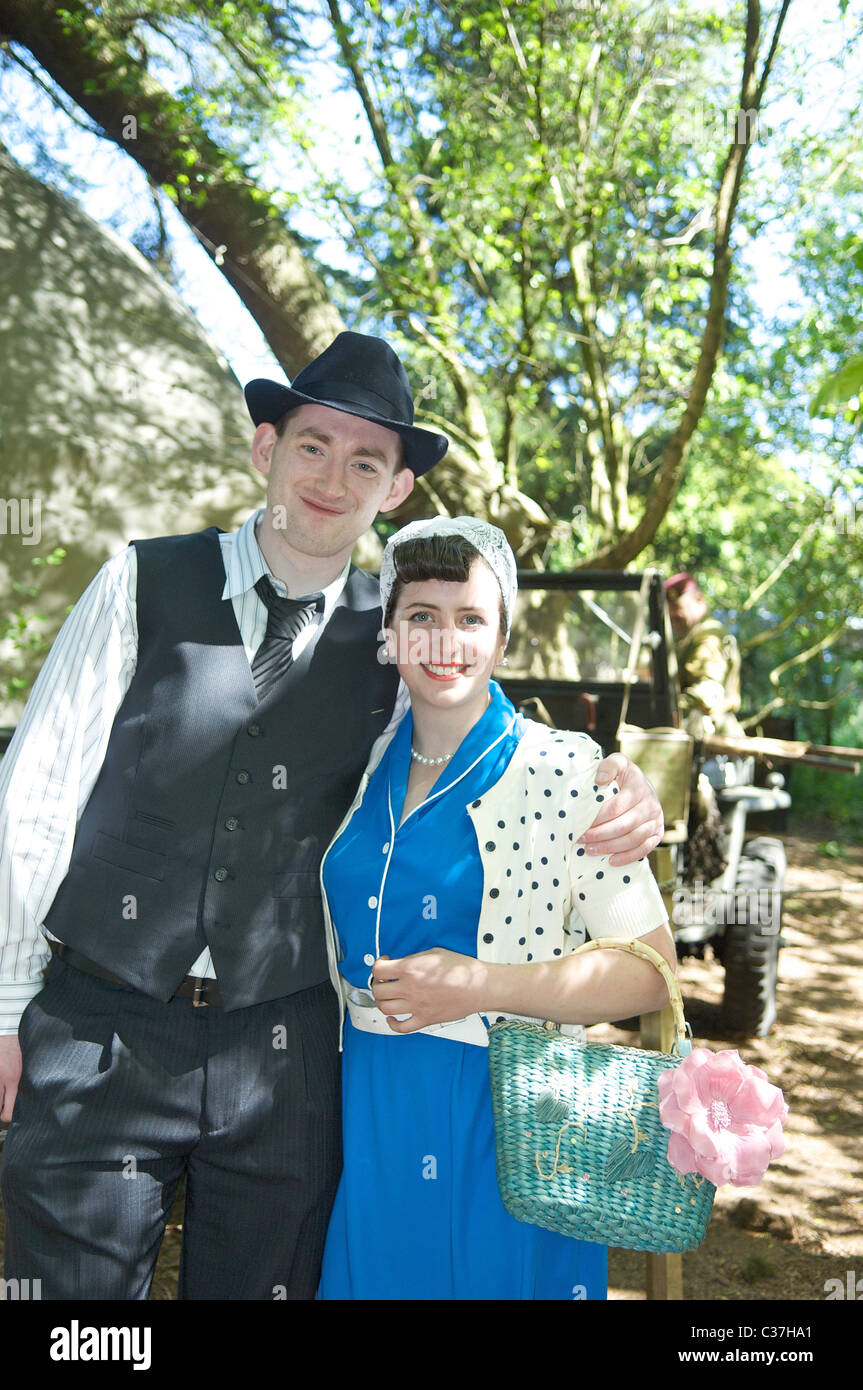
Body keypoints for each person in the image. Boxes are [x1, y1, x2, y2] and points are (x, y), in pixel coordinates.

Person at [0, 332, 664, 1301]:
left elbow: (480, 713)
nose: (332, 477)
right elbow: (33, 798)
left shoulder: (393, 640)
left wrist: (609, 774)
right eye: (312, 445)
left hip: (286, 1058)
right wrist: (3, 1007)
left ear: (393, 492)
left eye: (367, 461)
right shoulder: (139, 585)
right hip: (100, 1027)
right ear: (263, 448)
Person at [317, 517, 676, 1301]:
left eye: (471, 618)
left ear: (503, 635)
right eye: (421, 617)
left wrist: (481, 985)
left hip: (508, 1109)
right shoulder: (358, 756)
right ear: (389, 633)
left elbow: (650, 973)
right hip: (369, 1098)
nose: (445, 642)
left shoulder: (565, 767)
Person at [664, 572, 744, 740]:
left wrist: (665, 705)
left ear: (698, 599)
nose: (673, 616)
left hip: (716, 745)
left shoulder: (708, 637)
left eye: (678, 608)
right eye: (669, 611)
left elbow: (708, 693)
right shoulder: (689, 636)